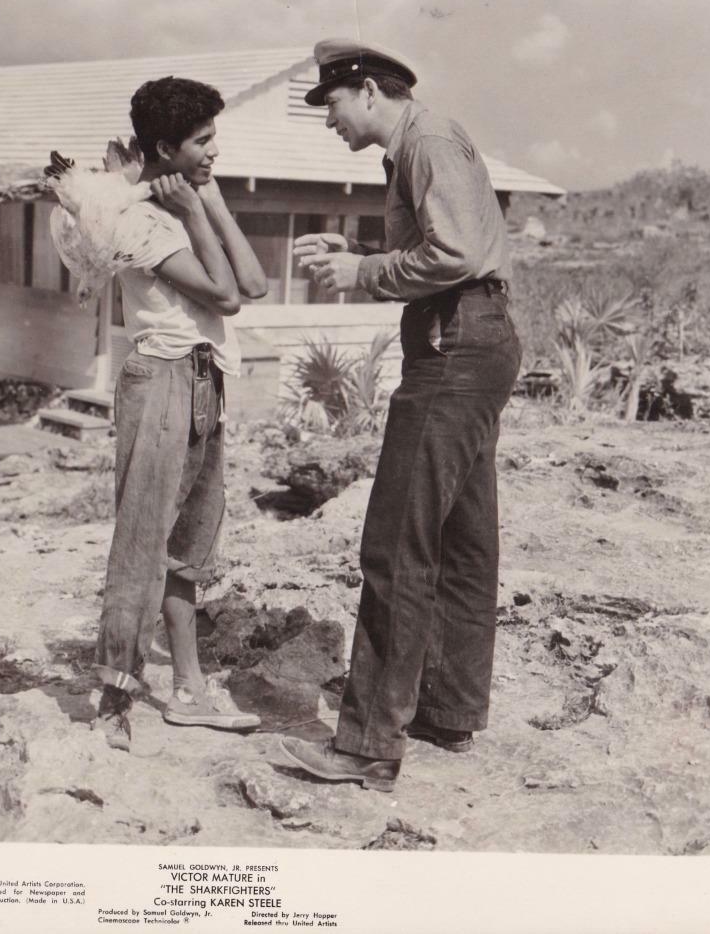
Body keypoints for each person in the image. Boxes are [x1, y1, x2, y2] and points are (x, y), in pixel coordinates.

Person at [279, 39, 522, 792]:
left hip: (453, 350)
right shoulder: (421, 145)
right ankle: (447, 711)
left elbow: (454, 253)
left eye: (333, 106)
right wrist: (355, 249)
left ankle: (365, 745)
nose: (329, 122)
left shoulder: (426, 142)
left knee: (395, 545)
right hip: (473, 343)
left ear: (369, 93)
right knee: (460, 539)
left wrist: (362, 271)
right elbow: (452, 249)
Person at [92, 75, 270, 750]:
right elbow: (225, 298)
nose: (214, 150)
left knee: (188, 547)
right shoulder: (138, 218)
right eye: (202, 141)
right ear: (164, 147)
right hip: (162, 379)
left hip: (201, 382)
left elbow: (253, 284)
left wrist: (212, 200)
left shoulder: (185, 200)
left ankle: (188, 686)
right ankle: (114, 696)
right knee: (143, 541)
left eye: (215, 136)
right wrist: (197, 214)